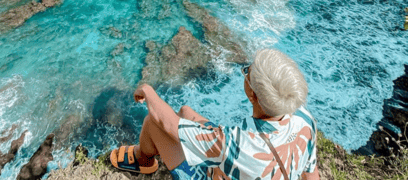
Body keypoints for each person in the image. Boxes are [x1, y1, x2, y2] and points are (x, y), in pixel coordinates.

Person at [110, 49, 320, 180]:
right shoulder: (305, 120)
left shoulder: (236, 142)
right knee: (186, 112)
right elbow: (311, 174)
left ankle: (143, 160)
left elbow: (168, 125)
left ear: (253, 95)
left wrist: (147, 91)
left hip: (218, 167)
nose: (246, 73)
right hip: (242, 162)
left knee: (152, 123)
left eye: (248, 71)